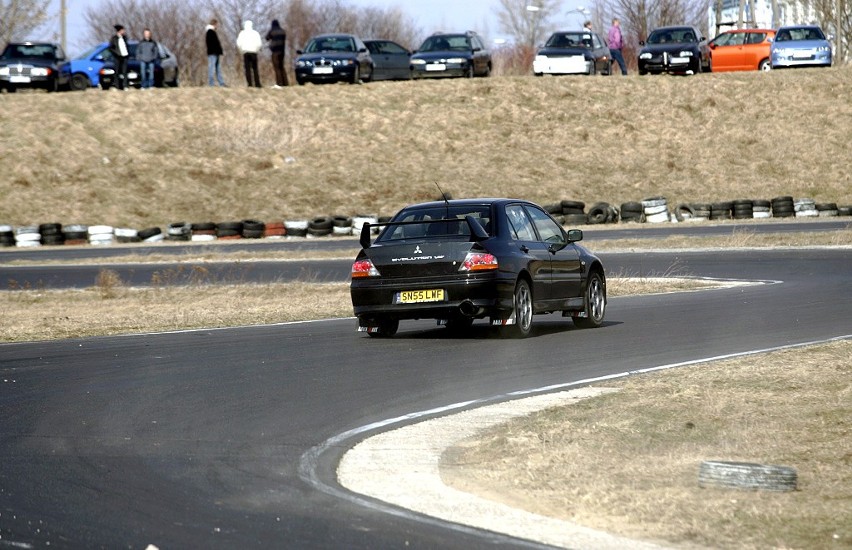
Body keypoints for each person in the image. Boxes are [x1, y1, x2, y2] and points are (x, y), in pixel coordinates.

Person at [237, 20, 262, 88]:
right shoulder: (255, 33)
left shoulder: (242, 33)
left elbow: (239, 43)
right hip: (254, 52)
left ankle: (250, 84)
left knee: (247, 69)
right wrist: (257, 49)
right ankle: (257, 83)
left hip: (246, 52)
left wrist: (241, 50)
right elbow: (259, 43)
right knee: (255, 68)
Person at [266, 19, 289, 87]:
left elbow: (267, 38)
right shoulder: (283, 31)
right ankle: (285, 83)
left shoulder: (272, 31)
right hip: (282, 51)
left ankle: (279, 83)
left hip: (275, 51)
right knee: (282, 67)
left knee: (277, 67)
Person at [108, 24, 130, 90]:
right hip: (117, 57)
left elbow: (127, 46)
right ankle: (117, 86)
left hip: (125, 56)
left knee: (125, 71)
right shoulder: (114, 38)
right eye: (123, 30)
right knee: (117, 72)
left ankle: (125, 85)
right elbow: (110, 48)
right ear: (119, 31)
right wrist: (116, 54)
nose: (124, 31)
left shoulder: (125, 38)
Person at [206, 18, 226, 87]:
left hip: (215, 53)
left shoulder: (212, 32)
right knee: (212, 68)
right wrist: (217, 50)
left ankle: (221, 83)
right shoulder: (210, 32)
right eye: (217, 24)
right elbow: (212, 44)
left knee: (218, 68)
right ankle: (211, 84)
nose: (217, 26)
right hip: (213, 53)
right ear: (214, 24)